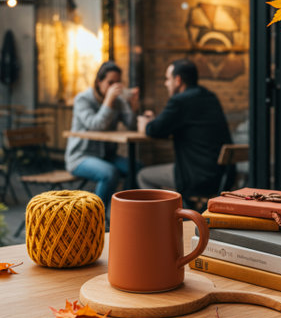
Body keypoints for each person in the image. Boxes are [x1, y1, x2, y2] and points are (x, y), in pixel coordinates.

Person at [137, 59, 234, 204]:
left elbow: (153, 130)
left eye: (167, 79)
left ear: (178, 80)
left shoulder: (180, 101)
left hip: (195, 176)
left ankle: (164, 220)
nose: (165, 83)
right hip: (221, 176)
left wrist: (145, 124)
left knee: (143, 176)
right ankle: (179, 211)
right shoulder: (209, 97)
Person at [65, 61, 139, 210]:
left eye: (118, 83)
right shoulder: (83, 99)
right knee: (109, 173)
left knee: (137, 168)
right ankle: (97, 217)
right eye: (110, 82)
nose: (114, 87)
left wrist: (132, 104)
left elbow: (131, 125)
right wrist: (109, 100)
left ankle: (124, 212)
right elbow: (96, 125)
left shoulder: (118, 100)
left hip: (106, 156)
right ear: (99, 82)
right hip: (80, 157)